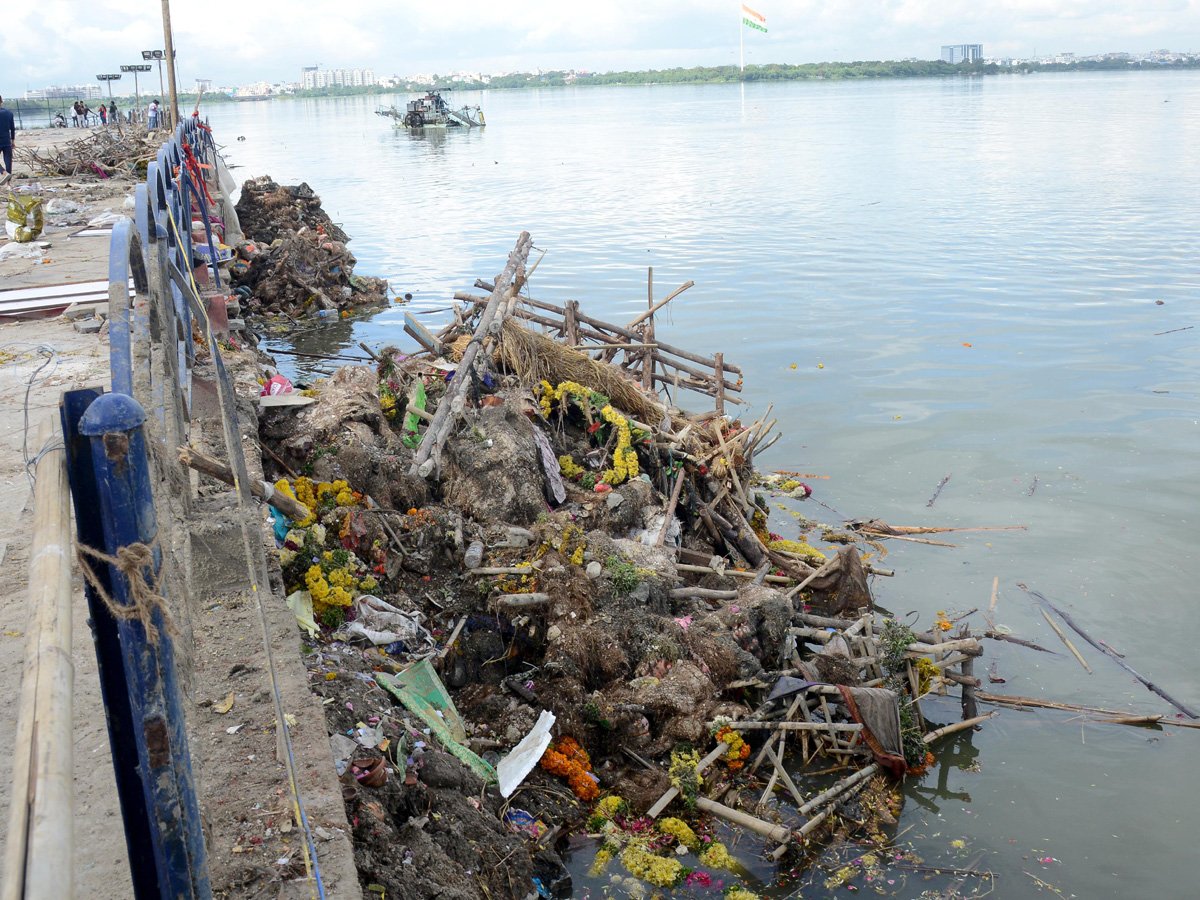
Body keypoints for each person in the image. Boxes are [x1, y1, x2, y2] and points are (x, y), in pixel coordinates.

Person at [0, 95, 15, 184]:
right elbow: (12, 128)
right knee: (8, 161)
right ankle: (8, 183)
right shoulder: (9, 113)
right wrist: (13, 140)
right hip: (7, 140)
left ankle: (4, 172)